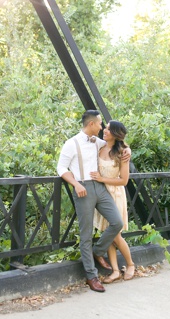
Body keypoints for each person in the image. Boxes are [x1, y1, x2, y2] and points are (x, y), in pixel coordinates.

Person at [57, 109, 130, 293]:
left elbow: (117, 144)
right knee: (86, 233)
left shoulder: (99, 142)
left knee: (116, 222)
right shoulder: (71, 143)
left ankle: (97, 252)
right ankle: (92, 276)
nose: (101, 127)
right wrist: (75, 183)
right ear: (91, 124)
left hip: (101, 187)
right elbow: (61, 167)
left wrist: (127, 150)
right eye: (99, 124)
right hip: (83, 188)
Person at [91, 120, 136, 283]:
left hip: (114, 194)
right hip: (100, 194)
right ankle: (115, 271)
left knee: (115, 233)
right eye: (105, 128)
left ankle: (130, 264)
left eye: (109, 129)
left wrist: (102, 178)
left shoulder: (122, 152)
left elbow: (124, 180)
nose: (105, 130)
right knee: (108, 232)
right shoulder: (100, 147)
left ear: (116, 134)